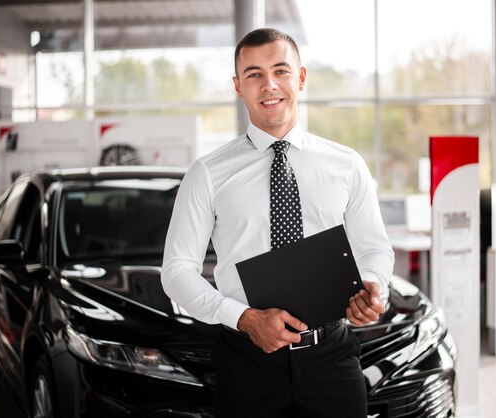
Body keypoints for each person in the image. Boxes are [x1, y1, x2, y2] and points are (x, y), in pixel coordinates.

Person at [162, 28, 394, 418]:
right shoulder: (207, 173)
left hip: (332, 360)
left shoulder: (346, 164)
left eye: (280, 71)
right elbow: (176, 271)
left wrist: (374, 286)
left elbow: (374, 248)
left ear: (300, 78)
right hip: (247, 365)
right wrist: (245, 319)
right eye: (253, 74)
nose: (269, 85)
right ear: (238, 86)